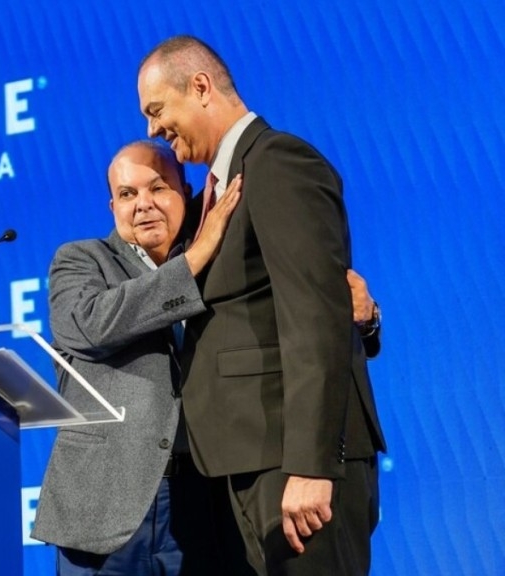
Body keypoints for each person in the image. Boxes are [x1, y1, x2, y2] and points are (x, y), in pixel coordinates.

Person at [137, 36, 386, 575]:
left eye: (157, 111)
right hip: (247, 462)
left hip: (292, 465)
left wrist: (311, 465)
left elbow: (314, 318)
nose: (153, 130)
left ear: (200, 87)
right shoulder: (211, 198)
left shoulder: (277, 162)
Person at [31, 139, 243, 574]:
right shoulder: (81, 260)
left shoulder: (222, 265)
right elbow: (90, 325)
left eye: (157, 188)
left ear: (185, 194)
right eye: (128, 195)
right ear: (112, 206)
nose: (143, 205)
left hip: (204, 501)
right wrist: (195, 259)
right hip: (105, 505)